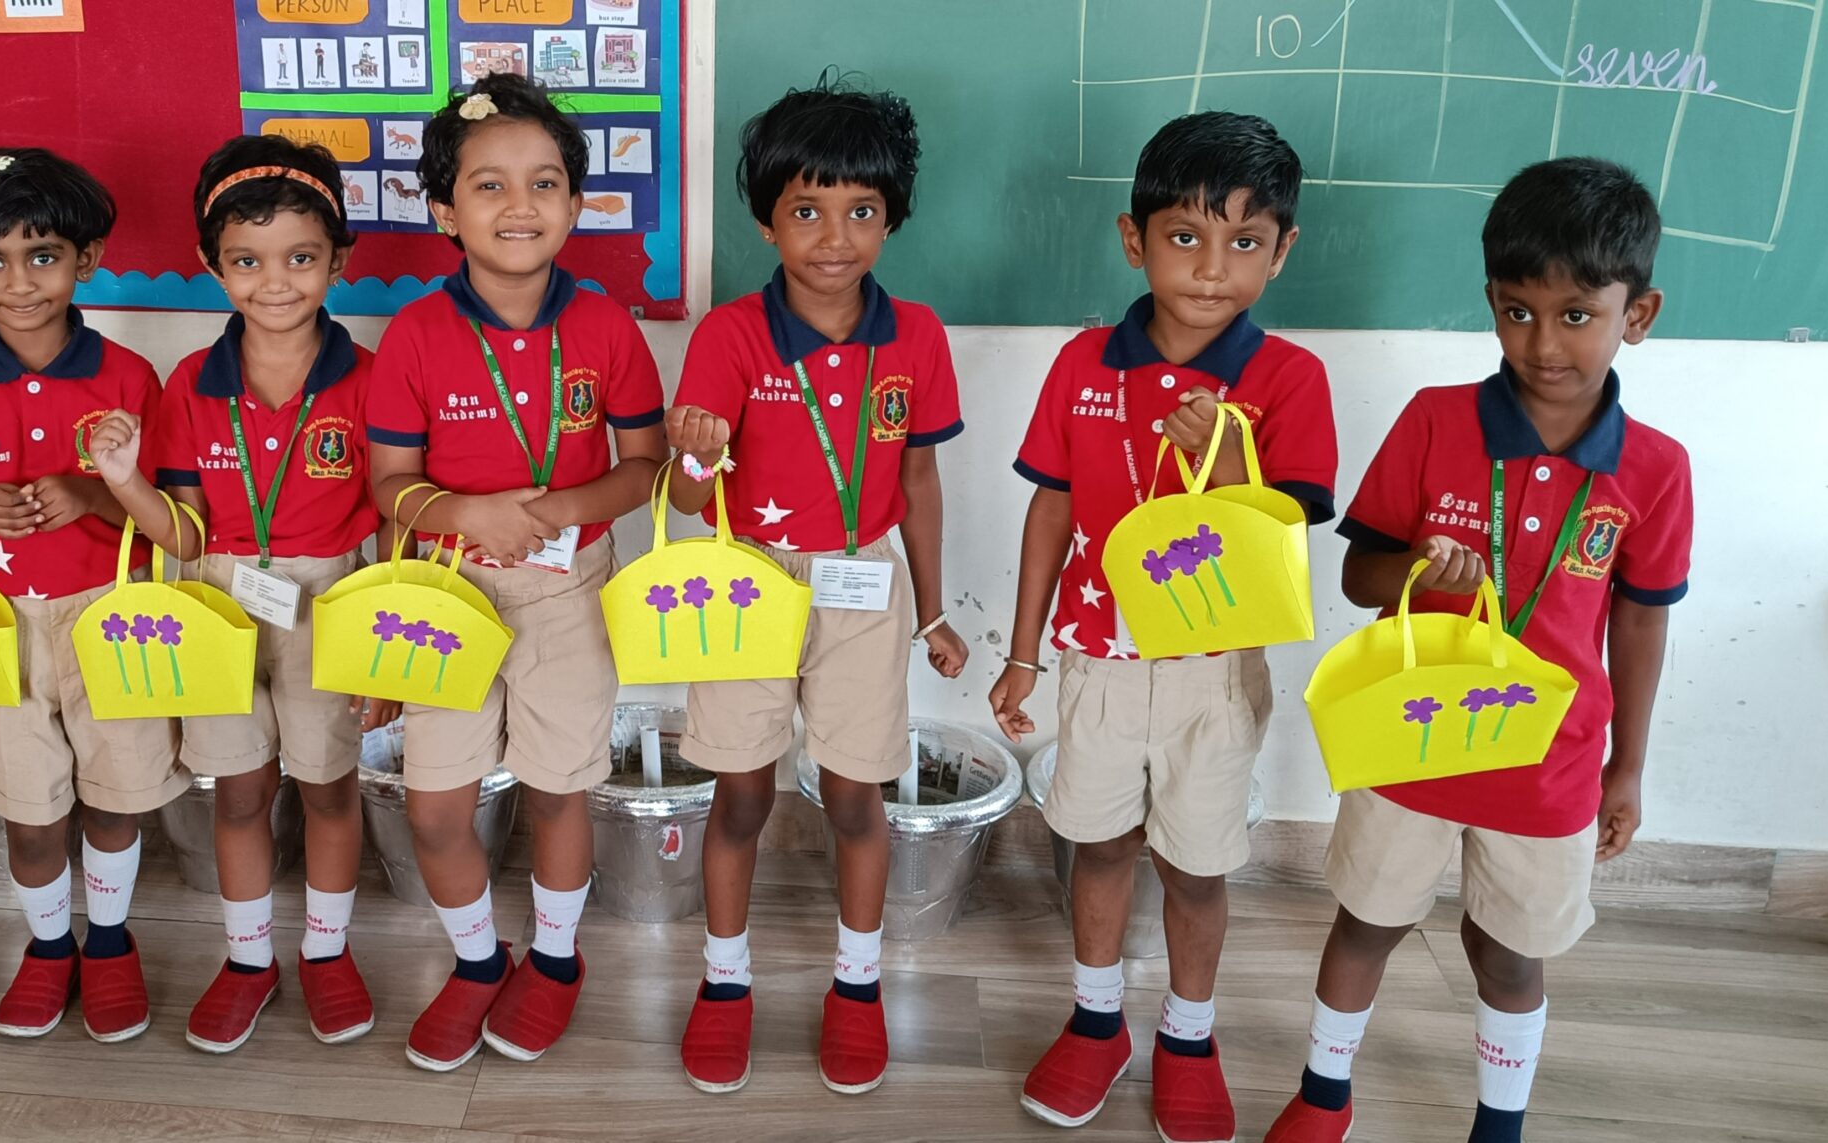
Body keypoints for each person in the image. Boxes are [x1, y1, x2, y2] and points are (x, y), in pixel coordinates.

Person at [1262, 158, 1691, 1143]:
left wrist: (1627, 765)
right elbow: (1359, 576)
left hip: (1548, 760)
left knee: (1509, 952)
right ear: (1492, 301)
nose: (1542, 343)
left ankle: (1499, 1123)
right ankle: (1323, 1092)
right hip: (1409, 735)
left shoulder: (1654, 470)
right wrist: (1418, 570)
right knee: (1367, 922)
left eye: (1576, 314)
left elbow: (1640, 621)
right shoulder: (1434, 420)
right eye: (1516, 311)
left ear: (1637, 313)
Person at [989, 111, 1337, 1143]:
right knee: (1097, 845)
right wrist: (1021, 652)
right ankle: (1097, 1021)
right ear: (1133, 240)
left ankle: (1189, 1034)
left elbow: (1281, 528)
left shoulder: (1287, 379)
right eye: (1185, 236)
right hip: (1096, 657)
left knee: (1194, 863)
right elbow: (1050, 508)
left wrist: (1225, 462)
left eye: (1244, 241)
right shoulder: (1083, 364)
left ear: (1282, 251)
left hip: (1211, 669)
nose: (1212, 268)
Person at [658, 75, 966, 1096]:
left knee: (854, 792)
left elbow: (917, 481)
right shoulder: (730, 336)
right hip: (747, 578)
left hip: (861, 580)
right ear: (765, 220)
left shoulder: (914, 335)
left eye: (861, 211)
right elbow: (692, 500)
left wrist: (932, 612)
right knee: (741, 790)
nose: (834, 238)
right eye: (806, 211)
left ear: (892, 218)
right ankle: (725, 977)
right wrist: (696, 454)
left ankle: (857, 981)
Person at [366, 72, 666, 1072]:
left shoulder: (606, 327)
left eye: (544, 183)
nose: (520, 205)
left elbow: (644, 467)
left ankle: (556, 959)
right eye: (488, 185)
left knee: (557, 789)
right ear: (444, 212)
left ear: (575, 206)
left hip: (568, 588)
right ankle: (474, 961)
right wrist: (465, 515)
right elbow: (389, 485)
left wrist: (547, 513)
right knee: (435, 805)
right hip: (445, 592)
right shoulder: (415, 334)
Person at [0, 146, 190, 1045]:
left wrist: (91, 493)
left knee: (115, 794)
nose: (21, 281)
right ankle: (46, 944)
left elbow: (166, 516)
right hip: (3, 632)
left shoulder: (128, 378)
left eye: (43, 255)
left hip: (110, 620)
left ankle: (107, 940)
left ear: (87, 258)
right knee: (30, 808)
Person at [140, 134, 398, 1054]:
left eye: (300, 257)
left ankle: (326, 950)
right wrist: (124, 483)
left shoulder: (371, 380)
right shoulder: (189, 384)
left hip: (334, 597)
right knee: (241, 790)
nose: (275, 282)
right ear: (212, 264)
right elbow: (181, 531)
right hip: (220, 597)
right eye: (246, 261)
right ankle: (249, 958)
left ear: (339, 259)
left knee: (328, 787)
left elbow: (395, 517)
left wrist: (387, 645)